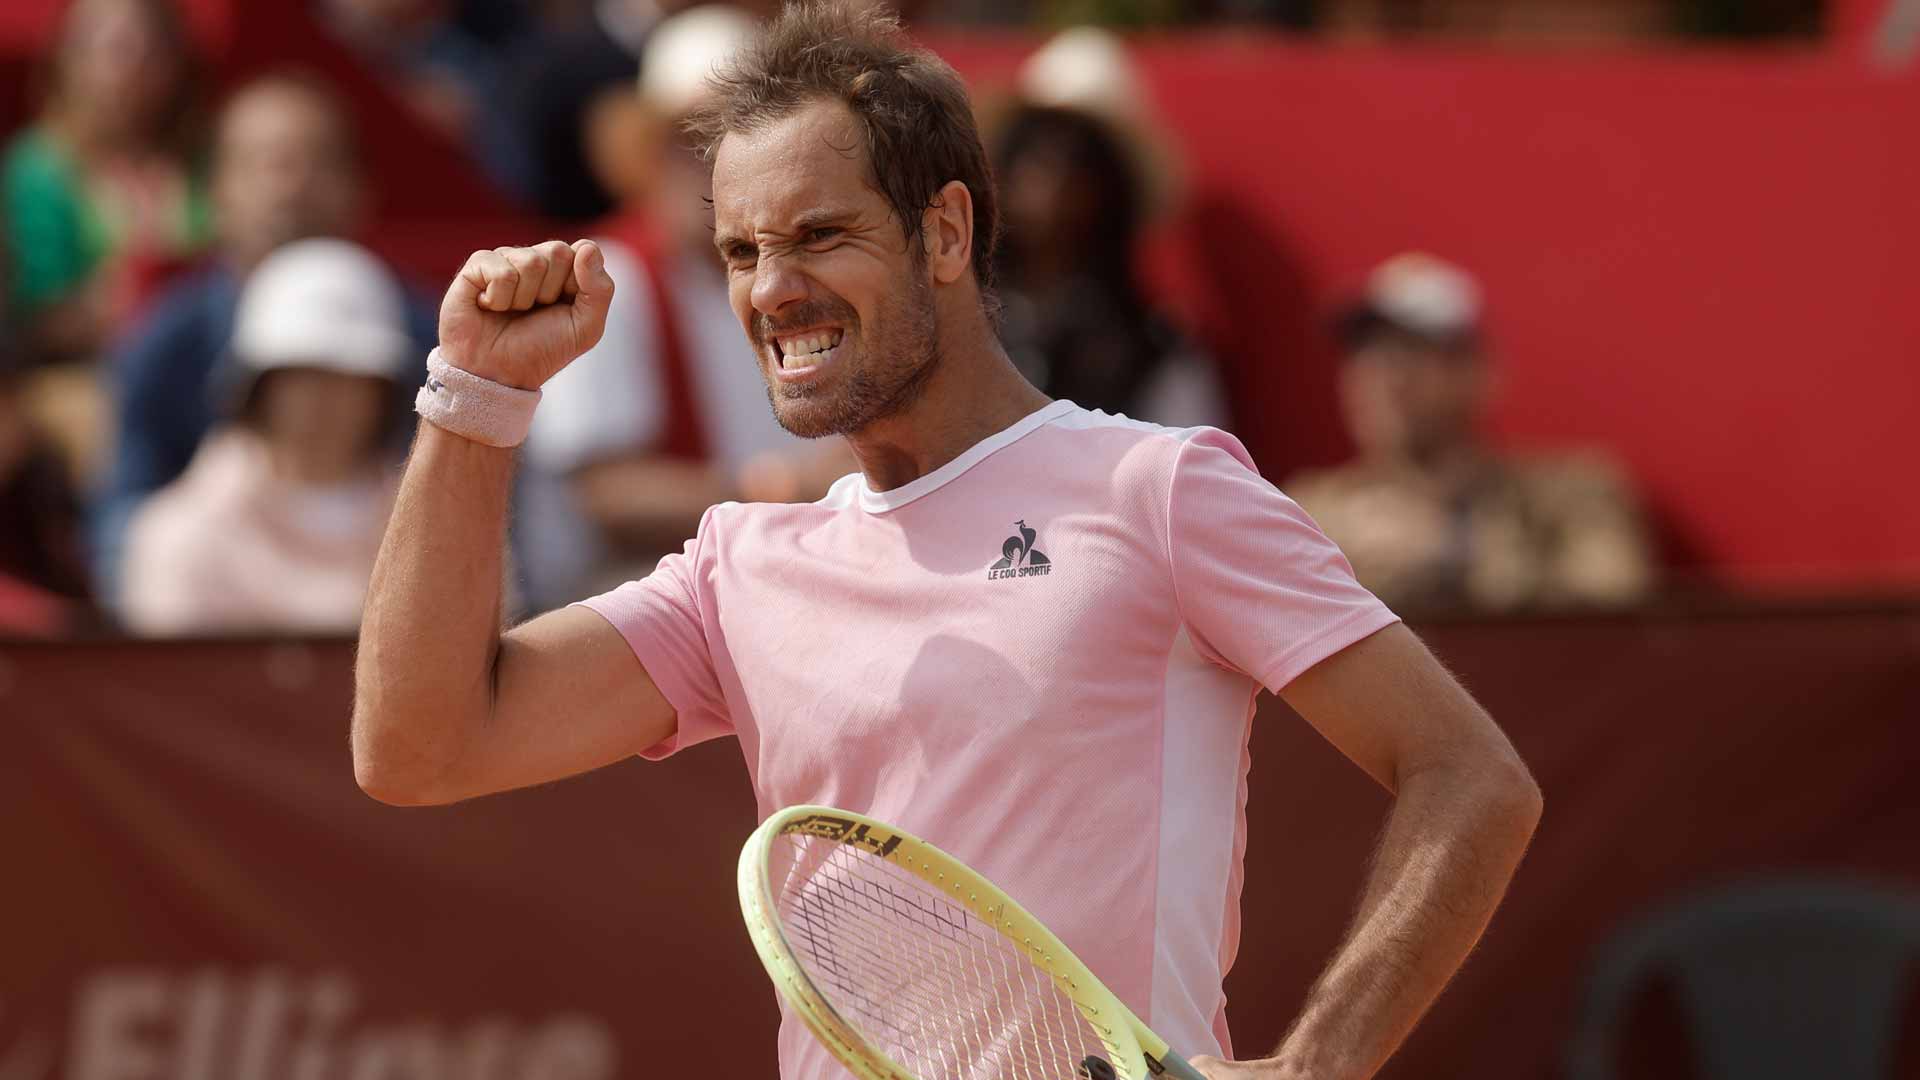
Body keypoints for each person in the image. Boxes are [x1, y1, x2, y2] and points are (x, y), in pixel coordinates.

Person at [352, 6, 1542, 1080]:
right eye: (740, 252)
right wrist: (472, 397)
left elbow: (1471, 777)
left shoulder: (1158, 488)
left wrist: (1323, 1063)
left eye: (819, 236)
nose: (772, 290)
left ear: (948, 233)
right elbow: (419, 748)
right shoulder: (739, 569)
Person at [525, 3, 850, 589]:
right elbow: (607, 497)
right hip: (641, 608)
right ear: (647, 154)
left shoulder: (797, 272)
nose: (710, 164)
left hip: (773, 585)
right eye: (687, 142)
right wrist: (783, 490)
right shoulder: (607, 275)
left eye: (729, 140)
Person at [93, 73, 432, 605]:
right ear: (216, 191)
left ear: (361, 187)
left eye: (316, 161)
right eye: (264, 163)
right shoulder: (160, 344)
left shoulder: (434, 338)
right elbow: (120, 526)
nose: (290, 185)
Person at [1287, 253, 1655, 612]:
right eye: (1364, 353)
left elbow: (1614, 616)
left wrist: (1455, 550)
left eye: (1410, 351)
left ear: (1480, 371)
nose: (1383, 376)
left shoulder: (1573, 496)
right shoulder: (1309, 511)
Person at [120, 239, 411, 635]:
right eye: (301, 374)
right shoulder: (182, 537)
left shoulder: (440, 532)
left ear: (383, 390)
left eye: (350, 375)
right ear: (257, 388)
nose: (324, 397)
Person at [989, 27, 1225, 428]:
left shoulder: (1157, 350)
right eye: (1034, 152)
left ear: (1112, 189)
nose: (1051, 178)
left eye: (1076, 160)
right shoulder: (955, 321)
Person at [2, 0, 209, 364]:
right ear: (66, 57)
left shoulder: (204, 158)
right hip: (77, 377)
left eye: (152, 46)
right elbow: (28, 311)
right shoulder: (37, 169)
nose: (133, 64)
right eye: (112, 45)